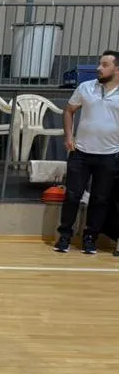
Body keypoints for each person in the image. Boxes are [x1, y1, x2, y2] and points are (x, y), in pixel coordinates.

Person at [54, 50, 119, 255]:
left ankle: (90, 238)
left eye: (105, 65)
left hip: (110, 155)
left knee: (100, 199)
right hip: (81, 152)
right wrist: (68, 137)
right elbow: (69, 110)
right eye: (100, 63)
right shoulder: (86, 87)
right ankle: (64, 236)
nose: (99, 68)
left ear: (117, 69)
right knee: (72, 196)